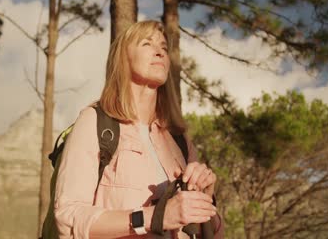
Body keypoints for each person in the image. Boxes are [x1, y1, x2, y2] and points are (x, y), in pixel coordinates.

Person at [53, 20, 223, 238]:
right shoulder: (95, 123)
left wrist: (206, 199)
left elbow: (213, 233)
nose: (160, 52)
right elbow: (68, 217)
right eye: (147, 44)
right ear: (123, 57)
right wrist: (155, 216)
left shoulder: (179, 140)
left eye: (163, 47)